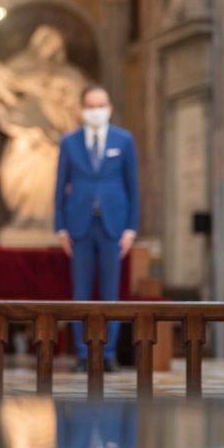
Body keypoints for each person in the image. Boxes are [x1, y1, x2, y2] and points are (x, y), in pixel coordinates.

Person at [54, 85, 139, 372]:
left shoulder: (123, 140)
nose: (95, 111)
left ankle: (108, 353)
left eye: (100, 106)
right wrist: (60, 228)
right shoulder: (69, 142)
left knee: (110, 293)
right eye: (90, 106)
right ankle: (82, 353)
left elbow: (133, 187)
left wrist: (131, 229)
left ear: (110, 109)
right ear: (82, 110)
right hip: (79, 226)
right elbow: (59, 187)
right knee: (80, 292)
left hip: (112, 225)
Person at [0, 25, 88, 239]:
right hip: (28, 133)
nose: (48, 47)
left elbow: (79, 103)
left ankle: (50, 219)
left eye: (53, 42)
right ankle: (24, 217)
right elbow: (1, 79)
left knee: (53, 175)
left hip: (56, 136)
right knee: (14, 170)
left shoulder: (69, 74)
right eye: (44, 41)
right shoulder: (21, 68)